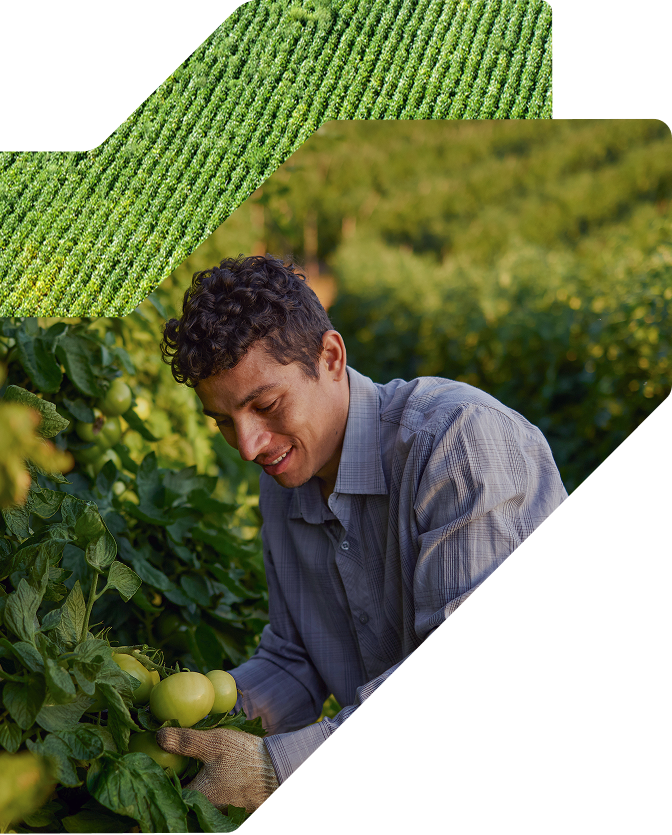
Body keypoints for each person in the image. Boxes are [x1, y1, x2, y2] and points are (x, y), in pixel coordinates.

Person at [154, 254, 569, 813]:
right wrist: (181, 730)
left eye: (266, 405)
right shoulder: (285, 484)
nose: (249, 445)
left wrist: (274, 768)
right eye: (224, 421)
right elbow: (295, 659)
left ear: (330, 357)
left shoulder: (458, 448)